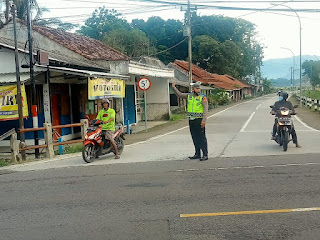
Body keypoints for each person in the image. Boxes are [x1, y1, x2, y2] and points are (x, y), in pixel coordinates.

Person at [172, 82, 209, 161]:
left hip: (199, 120)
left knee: (202, 138)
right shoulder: (189, 95)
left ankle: (205, 154)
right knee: (194, 137)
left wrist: (204, 120)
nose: (198, 90)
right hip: (191, 120)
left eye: (199, 88)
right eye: (197, 88)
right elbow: (179, 94)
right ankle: (197, 153)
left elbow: (205, 109)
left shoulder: (202, 97)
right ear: (193, 89)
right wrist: (173, 88)